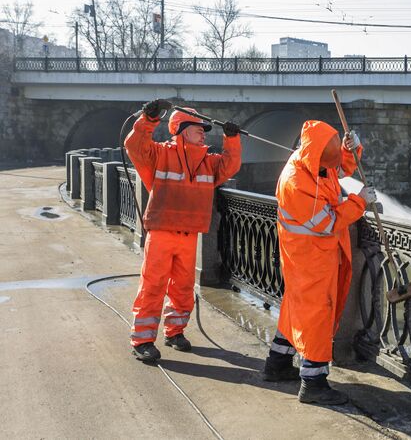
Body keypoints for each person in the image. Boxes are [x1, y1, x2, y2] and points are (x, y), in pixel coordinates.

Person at [264, 120, 376, 405]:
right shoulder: (296, 182)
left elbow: (339, 168)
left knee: (295, 307)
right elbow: (328, 222)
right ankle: (313, 383)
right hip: (311, 257)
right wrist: (359, 202)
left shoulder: (312, 162)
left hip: (307, 255)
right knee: (316, 314)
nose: (336, 164)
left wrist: (351, 149)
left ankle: (277, 363)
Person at [124, 98, 242, 362]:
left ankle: (174, 332)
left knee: (183, 287)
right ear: (181, 129)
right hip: (162, 232)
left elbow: (229, 166)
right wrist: (148, 119)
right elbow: (134, 145)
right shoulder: (160, 154)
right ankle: (142, 340)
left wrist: (231, 140)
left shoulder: (207, 161)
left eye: (203, 129)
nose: (203, 132)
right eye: (198, 127)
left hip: (189, 235)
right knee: (153, 286)